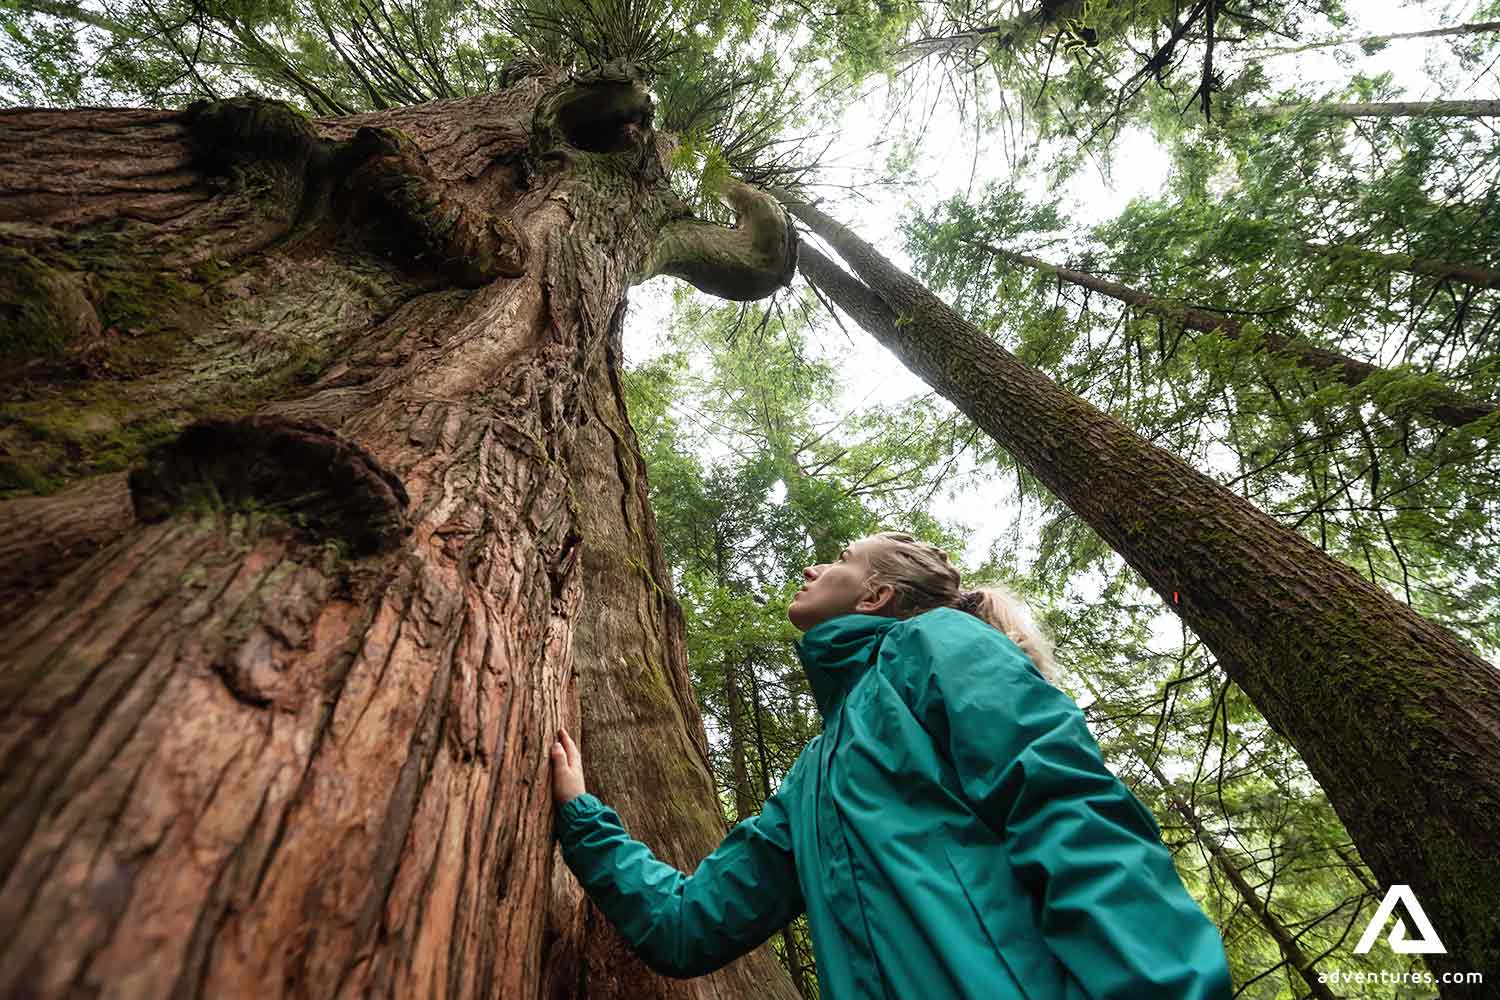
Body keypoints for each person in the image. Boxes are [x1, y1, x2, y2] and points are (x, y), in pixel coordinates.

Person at [549, 530, 1233, 999]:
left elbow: (1068, 813)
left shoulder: (936, 642)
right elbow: (687, 926)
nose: (812, 569)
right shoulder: (814, 778)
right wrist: (582, 818)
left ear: (875, 595)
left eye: (839, 559)